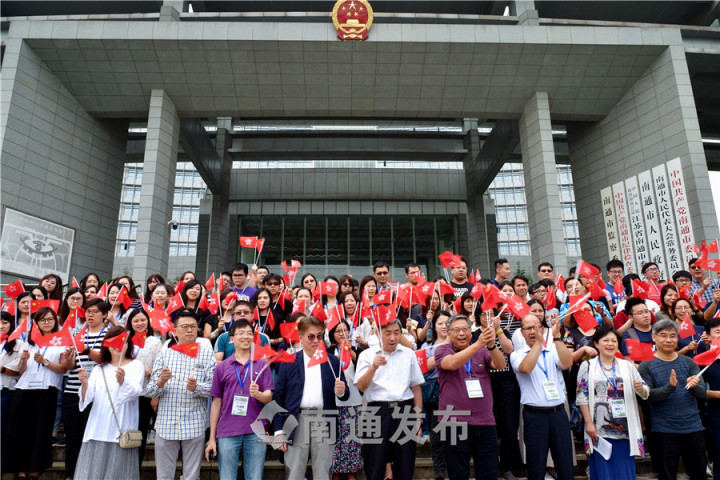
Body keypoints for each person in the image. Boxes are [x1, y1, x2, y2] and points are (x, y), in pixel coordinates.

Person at [273, 315, 349, 480]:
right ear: (300, 337)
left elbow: (345, 395)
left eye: (320, 336)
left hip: (324, 420)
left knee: (323, 472)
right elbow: (278, 397)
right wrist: (278, 430)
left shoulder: (333, 362)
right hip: (296, 419)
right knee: (294, 472)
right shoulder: (289, 362)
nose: (316, 340)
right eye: (311, 336)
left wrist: (341, 391)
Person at [144, 309, 216, 480]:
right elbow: (151, 391)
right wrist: (161, 381)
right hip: (166, 424)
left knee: (191, 476)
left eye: (193, 327)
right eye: (185, 327)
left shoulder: (206, 354)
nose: (189, 330)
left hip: (195, 424)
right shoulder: (165, 354)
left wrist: (196, 387)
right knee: (164, 476)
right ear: (174, 331)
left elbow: (213, 389)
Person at [4, 308, 73, 480]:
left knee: (41, 432)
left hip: (46, 391)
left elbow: (63, 369)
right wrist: (23, 360)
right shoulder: (29, 341)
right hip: (24, 390)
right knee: (20, 432)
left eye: (50, 319)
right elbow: (21, 372)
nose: (47, 323)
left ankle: (35, 472)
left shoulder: (61, 341)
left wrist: (46, 362)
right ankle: (20, 472)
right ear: (36, 323)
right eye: (42, 320)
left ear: (54, 321)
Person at [435, 314, 506, 480]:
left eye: (465, 329)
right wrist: (479, 344)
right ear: (449, 333)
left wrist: (491, 346)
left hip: (485, 423)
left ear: (470, 331)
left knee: (488, 473)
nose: (461, 333)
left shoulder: (482, 350)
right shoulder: (442, 350)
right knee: (458, 473)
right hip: (453, 423)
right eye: (457, 330)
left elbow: (501, 365)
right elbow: (452, 363)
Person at [576, 325, 649, 479]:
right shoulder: (587, 366)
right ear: (596, 343)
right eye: (606, 340)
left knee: (624, 471)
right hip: (598, 429)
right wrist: (588, 423)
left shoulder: (627, 366)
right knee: (604, 471)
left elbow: (645, 391)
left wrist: (641, 389)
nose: (610, 344)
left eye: (614, 341)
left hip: (625, 429)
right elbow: (582, 396)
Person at [356, 318, 424, 480]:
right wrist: (373, 367)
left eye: (396, 333)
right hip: (376, 412)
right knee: (375, 465)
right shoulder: (367, 355)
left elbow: (416, 388)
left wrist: (418, 419)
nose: (392, 338)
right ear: (378, 334)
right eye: (387, 333)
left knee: (405, 465)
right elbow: (361, 387)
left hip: (404, 411)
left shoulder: (408, 354)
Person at [638, 318, 707, 480]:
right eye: (663, 335)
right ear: (654, 337)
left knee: (699, 475)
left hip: (693, 427)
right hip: (664, 430)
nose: (668, 340)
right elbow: (648, 397)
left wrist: (695, 385)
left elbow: (702, 393)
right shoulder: (646, 365)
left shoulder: (689, 362)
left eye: (673, 336)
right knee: (667, 476)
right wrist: (670, 387)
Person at [205, 319, 274, 480]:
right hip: (228, 430)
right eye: (241, 333)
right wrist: (211, 438)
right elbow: (216, 403)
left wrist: (259, 395)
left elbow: (269, 397)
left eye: (250, 333)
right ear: (231, 338)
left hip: (256, 431)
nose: (246, 337)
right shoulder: (222, 367)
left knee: (255, 477)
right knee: (227, 477)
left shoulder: (262, 365)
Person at [510, 313, 574, 480]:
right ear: (522, 332)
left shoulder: (552, 350)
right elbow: (525, 368)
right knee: (536, 466)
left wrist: (557, 338)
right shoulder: (517, 354)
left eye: (536, 327)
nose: (533, 331)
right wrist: (538, 343)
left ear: (542, 328)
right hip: (535, 416)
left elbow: (567, 363)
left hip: (559, 414)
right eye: (528, 328)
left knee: (565, 465)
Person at [75, 326, 144, 480]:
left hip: (121, 427)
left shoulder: (136, 365)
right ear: (107, 345)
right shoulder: (99, 369)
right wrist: (85, 383)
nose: (118, 346)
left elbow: (135, 393)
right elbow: (87, 399)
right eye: (114, 343)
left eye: (123, 342)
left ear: (128, 344)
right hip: (98, 427)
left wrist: (122, 381)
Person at [62, 297, 108, 479]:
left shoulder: (109, 335)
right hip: (73, 390)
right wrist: (67, 356)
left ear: (105, 315)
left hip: (97, 394)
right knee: (73, 436)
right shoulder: (77, 334)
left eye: (95, 311)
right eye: (88, 311)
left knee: (91, 437)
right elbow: (67, 366)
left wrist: (87, 349)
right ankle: (71, 473)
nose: (90, 314)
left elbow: (106, 360)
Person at [126, 308, 163, 465]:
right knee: (129, 433)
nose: (140, 323)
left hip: (147, 393)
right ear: (130, 323)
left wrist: (155, 395)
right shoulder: (126, 341)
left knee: (141, 433)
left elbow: (159, 368)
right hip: (128, 393)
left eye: (143, 320)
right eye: (136, 321)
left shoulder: (154, 342)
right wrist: (140, 371)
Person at [328, 319, 363, 480]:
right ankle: (335, 471)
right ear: (332, 335)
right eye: (338, 331)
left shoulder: (357, 350)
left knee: (351, 438)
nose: (342, 334)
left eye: (345, 330)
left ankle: (351, 472)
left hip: (353, 400)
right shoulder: (327, 352)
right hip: (333, 401)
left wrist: (348, 349)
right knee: (335, 440)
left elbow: (358, 365)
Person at [699, 317, 720, 480]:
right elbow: (697, 389)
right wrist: (715, 394)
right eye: (718, 333)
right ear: (708, 335)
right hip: (715, 414)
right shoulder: (703, 360)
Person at [0, 311, 23, 442]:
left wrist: (2, 368)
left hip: (6, 389)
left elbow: (17, 368)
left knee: (3, 425)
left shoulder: (18, 344)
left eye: (5, 322)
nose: (1, 326)